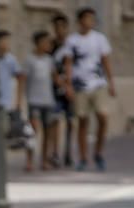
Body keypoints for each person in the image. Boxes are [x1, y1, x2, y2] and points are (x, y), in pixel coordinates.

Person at [60, 7, 115, 171]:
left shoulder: (99, 39)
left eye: (92, 19)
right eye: (87, 18)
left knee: (103, 117)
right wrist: (68, 85)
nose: (90, 22)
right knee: (82, 121)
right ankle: (83, 157)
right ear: (80, 21)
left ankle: (98, 152)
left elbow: (106, 61)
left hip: (98, 84)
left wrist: (111, 83)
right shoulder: (72, 41)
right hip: (80, 85)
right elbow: (68, 63)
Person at [22, 30, 61, 171]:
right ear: (38, 43)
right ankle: (29, 161)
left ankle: (44, 160)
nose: (48, 45)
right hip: (34, 101)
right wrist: (20, 100)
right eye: (46, 42)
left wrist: (66, 86)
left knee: (47, 133)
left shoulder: (49, 60)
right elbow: (22, 81)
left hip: (48, 101)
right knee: (33, 132)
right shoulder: (29, 60)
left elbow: (55, 78)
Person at [51, 13, 74, 167]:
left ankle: (68, 152)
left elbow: (72, 66)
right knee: (55, 120)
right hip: (55, 88)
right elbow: (50, 67)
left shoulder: (72, 46)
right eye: (56, 27)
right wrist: (61, 84)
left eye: (62, 27)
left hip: (71, 87)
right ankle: (55, 153)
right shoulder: (50, 46)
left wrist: (69, 86)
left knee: (71, 121)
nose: (59, 30)